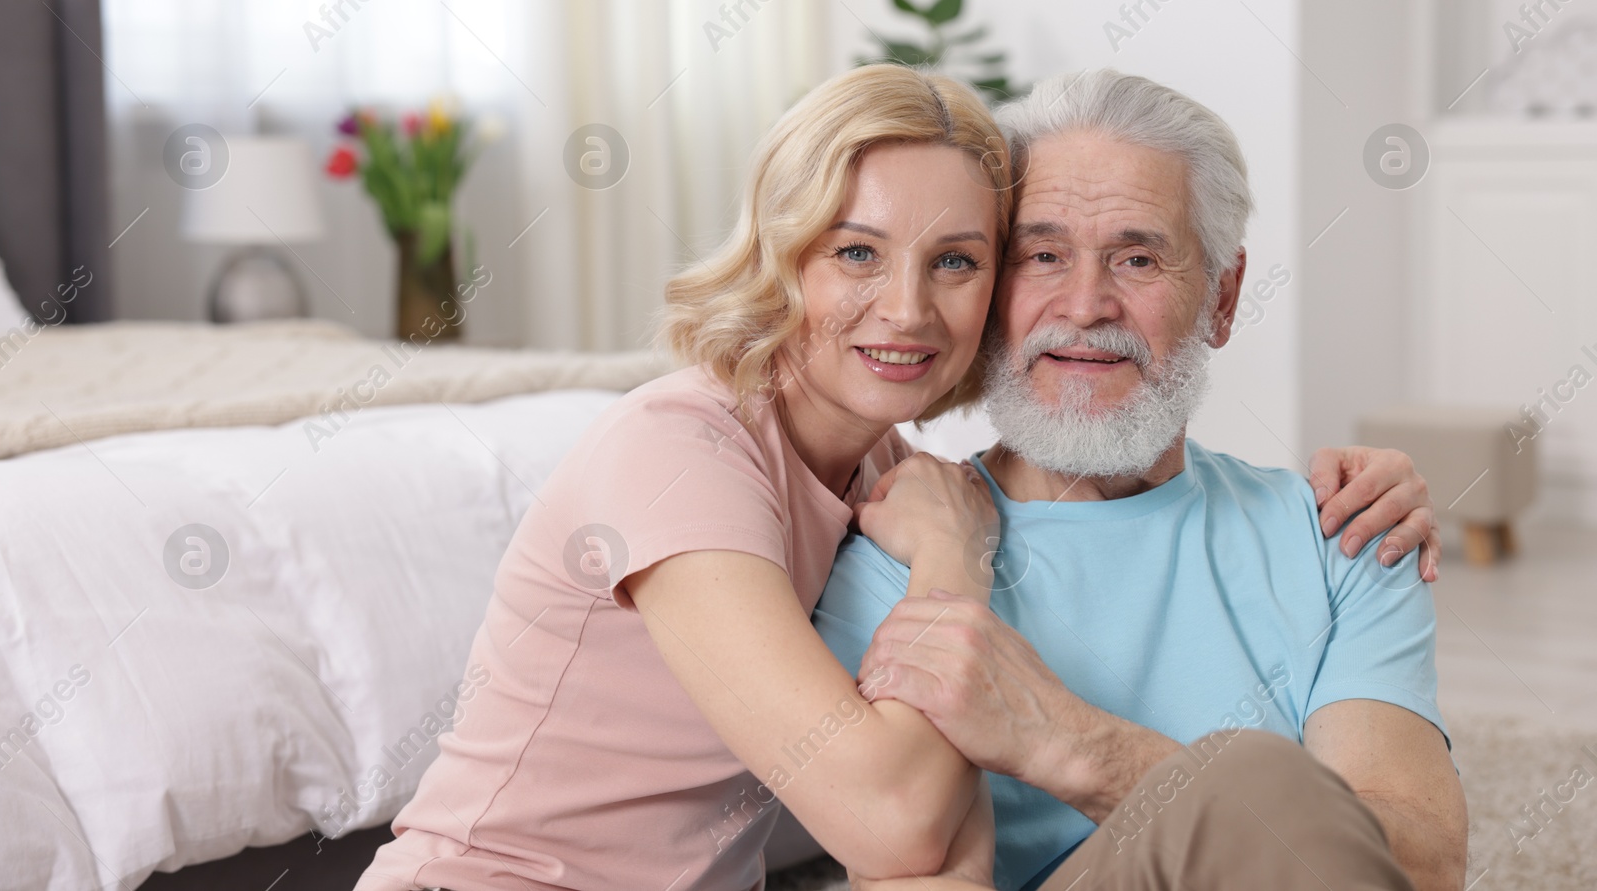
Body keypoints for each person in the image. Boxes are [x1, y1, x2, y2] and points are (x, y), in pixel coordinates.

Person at [356, 65, 1438, 891]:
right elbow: (903, 823)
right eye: (855, 252)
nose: (909, 310)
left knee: (1242, 782)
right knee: (1241, 777)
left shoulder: (884, 477)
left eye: (956, 260)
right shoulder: (709, 461)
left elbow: (1423, 857)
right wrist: (957, 558)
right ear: (783, 256)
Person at [813, 70, 1467, 891]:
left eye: (1138, 257)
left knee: (1254, 776)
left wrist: (1072, 743)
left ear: (1222, 298)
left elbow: (1425, 866)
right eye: (1043, 255)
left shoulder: (1344, 532)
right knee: (1260, 779)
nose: (1086, 305)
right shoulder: (899, 548)